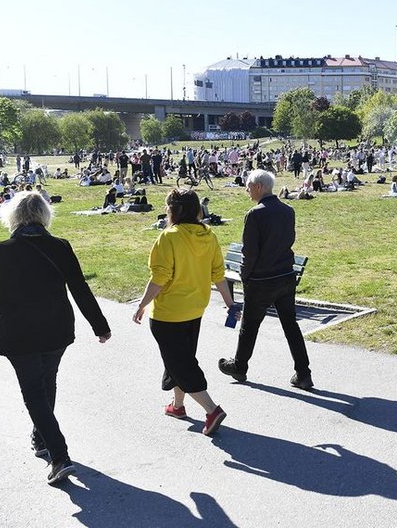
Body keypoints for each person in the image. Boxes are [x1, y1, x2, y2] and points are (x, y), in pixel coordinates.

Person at [0, 191, 111, 485]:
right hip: (57, 329)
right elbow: (80, 288)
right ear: (44, 215)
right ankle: (41, 437)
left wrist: (13, 310)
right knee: (46, 382)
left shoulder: (3, 250)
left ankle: (59, 456)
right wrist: (99, 325)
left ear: (13, 216)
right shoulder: (60, 246)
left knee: (34, 394)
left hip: (21, 332)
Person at [133, 188, 235, 436]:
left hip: (169, 313)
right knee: (181, 358)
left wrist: (142, 304)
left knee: (181, 362)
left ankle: (211, 409)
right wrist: (230, 304)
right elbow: (218, 275)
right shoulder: (208, 235)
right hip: (195, 309)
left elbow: (159, 278)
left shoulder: (169, 237)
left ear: (174, 210)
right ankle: (178, 406)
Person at [218, 170, 313, 390]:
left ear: (259, 187)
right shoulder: (288, 211)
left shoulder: (255, 214)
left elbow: (249, 252)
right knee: (291, 326)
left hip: (262, 279)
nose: (247, 190)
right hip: (285, 276)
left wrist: (245, 276)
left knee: (249, 326)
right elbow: (289, 240)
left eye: (249, 186)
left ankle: (239, 366)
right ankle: (304, 373)